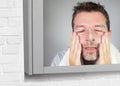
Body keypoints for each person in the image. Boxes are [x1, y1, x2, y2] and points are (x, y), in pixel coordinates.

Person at [51, 1, 120, 66]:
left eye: (98, 30)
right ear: (73, 36)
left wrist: (106, 70)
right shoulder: (59, 60)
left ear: (109, 35)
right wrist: (74, 71)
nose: (90, 38)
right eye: (81, 30)